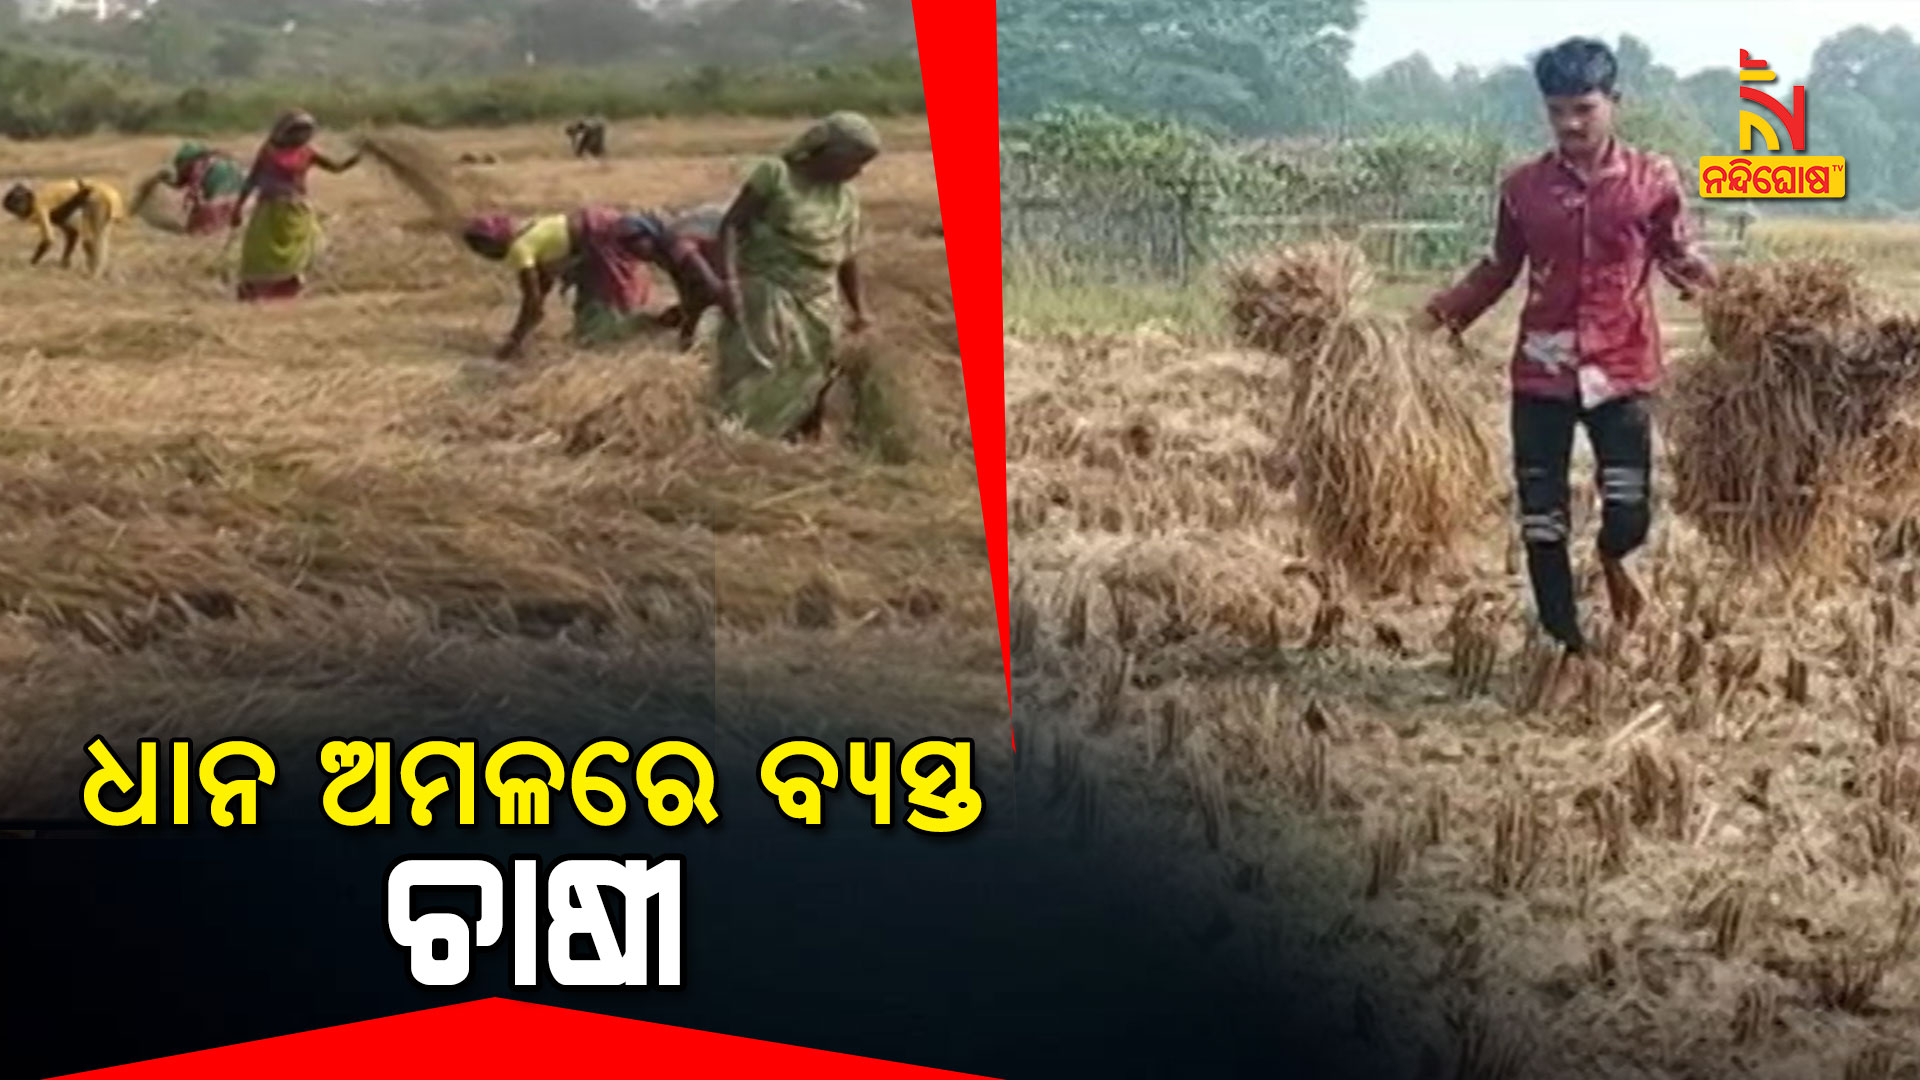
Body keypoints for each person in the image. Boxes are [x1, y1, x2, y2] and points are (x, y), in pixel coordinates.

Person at [1410, 37, 1717, 709]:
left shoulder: (1653, 182)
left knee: (1631, 511)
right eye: (1557, 111)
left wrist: (1739, 305)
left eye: (1584, 108)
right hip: (1541, 378)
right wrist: (1434, 319)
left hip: (1624, 373)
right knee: (1542, 522)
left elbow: (1679, 257)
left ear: (1614, 103)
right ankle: (1567, 647)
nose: (1572, 124)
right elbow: (1498, 268)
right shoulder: (1523, 190)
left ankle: (1613, 557)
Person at [712, 111, 877, 440]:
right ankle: (743, 440)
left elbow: (847, 256)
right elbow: (731, 226)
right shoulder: (775, 176)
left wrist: (859, 309)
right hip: (767, 292)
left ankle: (800, 438)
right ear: (829, 153)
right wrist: (727, 281)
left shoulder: (845, 199)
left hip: (819, 300)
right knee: (759, 369)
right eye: (853, 161)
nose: (858, 172)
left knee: (815, 370)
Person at [460, 206, 659, 361]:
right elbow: (541, 291)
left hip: (599, 238)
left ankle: (656, 324)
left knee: (605, 313)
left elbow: (532, 299)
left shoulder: (520, 249)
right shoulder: (529, 230)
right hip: (599, 229)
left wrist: (514, 341)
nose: (485, 255)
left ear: (496, 240)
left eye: (484, 248)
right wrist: (525, 330)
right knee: (592, 312)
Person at [230, 110, 363, 301]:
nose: (303, 137)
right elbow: (252, 179)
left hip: (296, 211)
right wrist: (238, 207)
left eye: (307, 133)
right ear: (286, 131)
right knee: (260, 253)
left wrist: (355, 159)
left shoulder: (307, 153)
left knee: (295, 256)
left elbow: (336, 167)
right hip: (269, 211)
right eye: (299, 132)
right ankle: (254, 293)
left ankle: (285, 294)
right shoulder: (268, 151)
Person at [619, 204, 731, 351]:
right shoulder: (663, 256)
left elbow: (711, 284)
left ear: (649, 233)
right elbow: (689, 293)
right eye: (626, 246)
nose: (632, 250)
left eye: (634, 241)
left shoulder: (675, 242)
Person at [3, 177, 125, 278]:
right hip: (90, 195)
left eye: (17, 210)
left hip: (96, 195)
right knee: (88, 241)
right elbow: (72, 233)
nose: (17, 214)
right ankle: (97, 272)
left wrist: (33, 262)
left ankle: (96, 275)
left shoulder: (39, 204)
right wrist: (65, 258)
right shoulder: (53, 207)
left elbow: (48, 240)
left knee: (97, 238)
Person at [133, 142, 247, 236]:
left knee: (198, 228)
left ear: (187, 162)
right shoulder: (212, 162)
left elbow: (196, 195)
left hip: (222, 201)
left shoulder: (199, 168)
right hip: (239, 201)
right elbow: (181, 183)